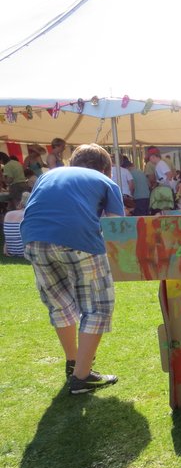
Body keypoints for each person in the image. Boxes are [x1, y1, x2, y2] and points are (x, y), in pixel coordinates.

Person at [21, 143, 123, 394]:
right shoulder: (105, 180)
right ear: (105, 168)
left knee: (60, 303)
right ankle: (82, 377)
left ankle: (73, 362)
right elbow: (118, 226)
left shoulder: (48, 175)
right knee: (98, 307)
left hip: (33, 238)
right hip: (79, 238)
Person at [4, 191, 29, 256]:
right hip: (24, 252)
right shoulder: (29, 215)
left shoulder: (8, 214)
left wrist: (5, 249)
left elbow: (8, 234)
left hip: (11, 250)